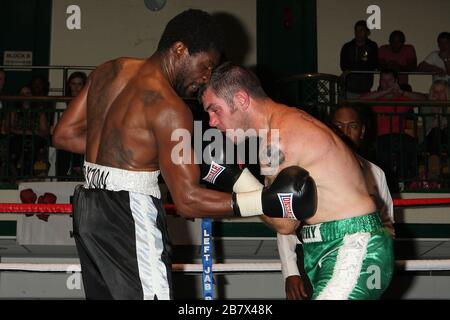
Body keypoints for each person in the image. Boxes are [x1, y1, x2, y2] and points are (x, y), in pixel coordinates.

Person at [53, 9, 306, 300]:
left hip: (89, 208)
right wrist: (264, 200)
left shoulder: (109, 70)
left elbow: (65, 135)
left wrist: (135, 153)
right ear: (180, 49)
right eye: (206, 65)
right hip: (129, 215)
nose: (206, 77)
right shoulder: (170, 108)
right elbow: (187, 201)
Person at [199, 62, 395, 300]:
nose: (211, 121)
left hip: (353, 247)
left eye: (214, 109)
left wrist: (235, 180)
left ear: (241, 100)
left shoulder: (279, 139)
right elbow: (276, 208)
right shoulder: (279, 129)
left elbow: (284, 224)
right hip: (330, 247)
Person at [277, 104, 395, 300]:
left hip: (362, 255)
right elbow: (287, 219)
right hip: (311, 256)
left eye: (352, 126)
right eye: (339, 126)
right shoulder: (311, 168)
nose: (345, 132)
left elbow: (388, 223)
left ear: (362, 131)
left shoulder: (376, 173)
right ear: (330, 129)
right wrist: (290, 271)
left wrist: (378, 263)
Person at [360, 69, 425, 190]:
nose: (386, 83)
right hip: (380, 137)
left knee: (409, 144)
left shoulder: (401, 98)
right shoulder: (375, 97)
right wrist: (385, 92)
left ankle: (402, 180)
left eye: (390, 80)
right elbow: (360, 99)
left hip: (399, 136)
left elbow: (424, 99)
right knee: (383, 149)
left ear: (396, 81)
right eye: (383, 80)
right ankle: (388, 183)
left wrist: (401, 92)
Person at [55, 72, 88, 178]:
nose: (76, 87)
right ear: (69, 85)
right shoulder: (62, 102)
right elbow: (57, 124)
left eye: (79, 84)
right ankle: (62, 176)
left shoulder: (88, 101)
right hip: (65, 136)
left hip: (81, 136)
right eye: (73, 83)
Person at [340, 20, 378, 98]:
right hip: (349, 88)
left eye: (361, 30)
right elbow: (343, 65)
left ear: (368, 32)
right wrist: (360, 65)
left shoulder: (372, 46)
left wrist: (351, 67)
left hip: (365, 89)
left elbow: (372, 64)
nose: (358, 33)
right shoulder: (347, 47)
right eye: (356, 30)